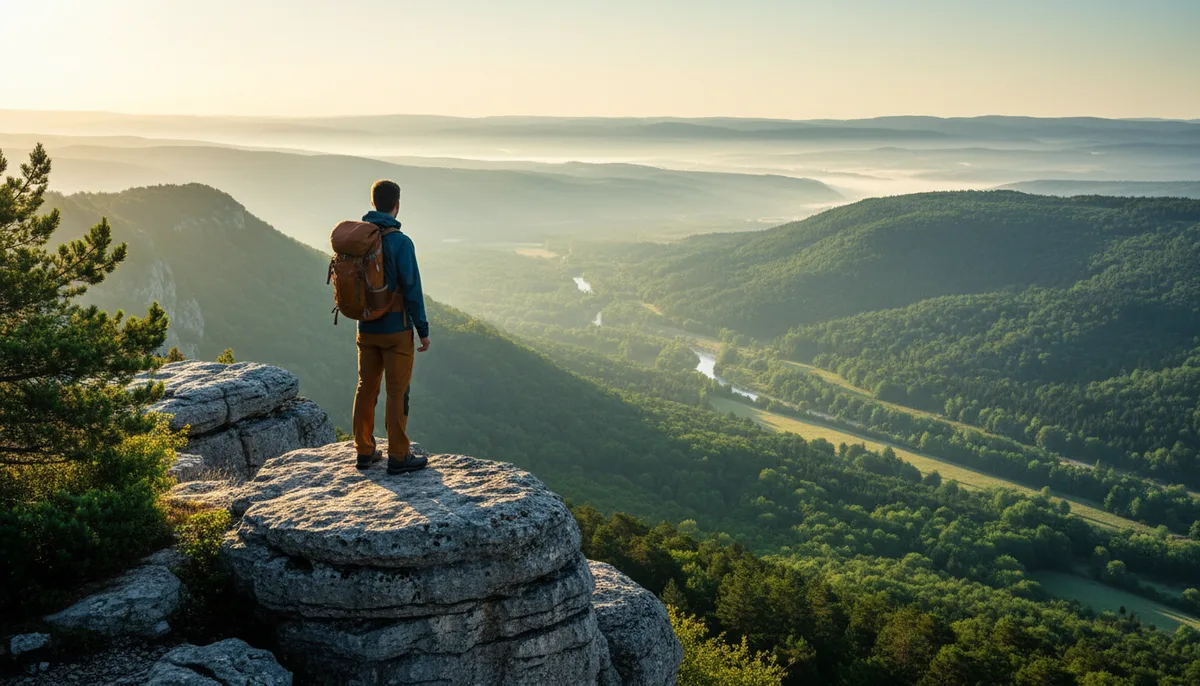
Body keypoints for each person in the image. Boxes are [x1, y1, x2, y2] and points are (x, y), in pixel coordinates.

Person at [353, 179, 431, 474]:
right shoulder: (401, 242)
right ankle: (398, 456)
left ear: (373, 204)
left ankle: (364, 450)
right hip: (396, 330)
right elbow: (412, 289)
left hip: (365, 327)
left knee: (365, 389)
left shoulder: (359, 240)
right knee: (397, 392)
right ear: (396, 206)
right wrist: (422, 330)